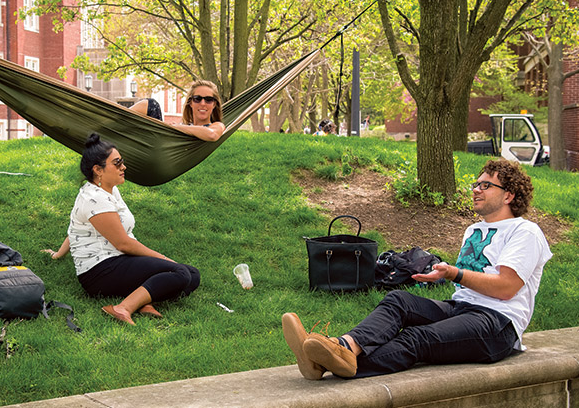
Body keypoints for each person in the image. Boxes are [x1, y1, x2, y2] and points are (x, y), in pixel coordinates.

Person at [282, 158, 552, 379]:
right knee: (399, 300)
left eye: (486, 185)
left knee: (417, 339)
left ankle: (326, 364)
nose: (476, 189)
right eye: (476, 183)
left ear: (509, 195)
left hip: (497, 324)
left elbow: (506, 288)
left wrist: (454, 273)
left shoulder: (525, 232)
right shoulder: (475, 229)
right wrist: (443, 275)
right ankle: (344, 347)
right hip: (460, 308)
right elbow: (472, 281)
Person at [42, 133, 200, 325]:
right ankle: (123, 308)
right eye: (117, 163)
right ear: (98, 170)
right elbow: (123, 243)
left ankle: (144, 299)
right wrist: (162, 257)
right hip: (100, 271)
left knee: (192, 275)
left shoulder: (109, 189)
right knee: (180, 274)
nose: (123, 167)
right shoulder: (94, 198)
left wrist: (58, 254)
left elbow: (74, 229)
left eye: (122, 162)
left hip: (119, 260)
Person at [129, 80, 226, 142]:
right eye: (197, 99)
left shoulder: (217, 125)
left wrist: (178, 127)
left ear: (214, 104)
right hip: (158, 146)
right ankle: (115, 119)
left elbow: (212, 135)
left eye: (208, 99)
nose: (203, 103)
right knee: (149, 104)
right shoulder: (184, 125)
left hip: (165, 157)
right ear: (190, 103)